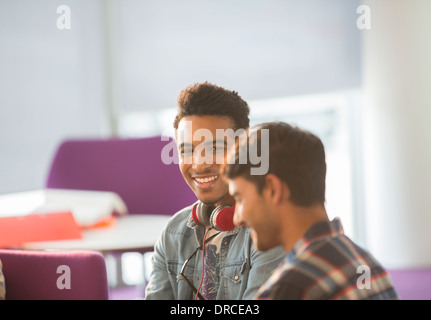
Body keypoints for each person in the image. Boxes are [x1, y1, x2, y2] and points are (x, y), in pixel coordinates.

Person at [224, 121, 400, 300]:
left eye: (239, 199)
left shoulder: (288, 288)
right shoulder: (368, 265)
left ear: (272, 189)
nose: (237, 218)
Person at [144, 82, 285, 300]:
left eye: (215, 148)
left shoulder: (269, 231)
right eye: (187, 150)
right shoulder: (174, 233)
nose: (199, 165)